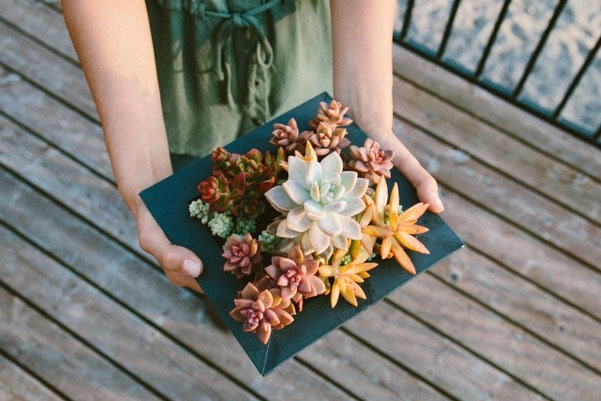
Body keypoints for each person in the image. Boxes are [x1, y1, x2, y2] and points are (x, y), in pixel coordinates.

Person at [62, 0, 444, 295]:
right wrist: (145, 178)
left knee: (303, 150)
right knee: (194, 225)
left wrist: (368, 121)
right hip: (166, 65)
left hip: (298, 47)